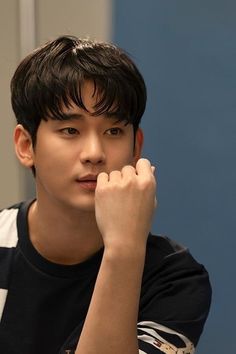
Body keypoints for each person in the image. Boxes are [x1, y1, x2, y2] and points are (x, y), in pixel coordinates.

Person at [0, 35, 211, 354]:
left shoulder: (174, 279)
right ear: (26, 145)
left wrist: (124, 249)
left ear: (136, 147)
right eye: (70, 130)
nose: (94, 153)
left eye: (113, 131)